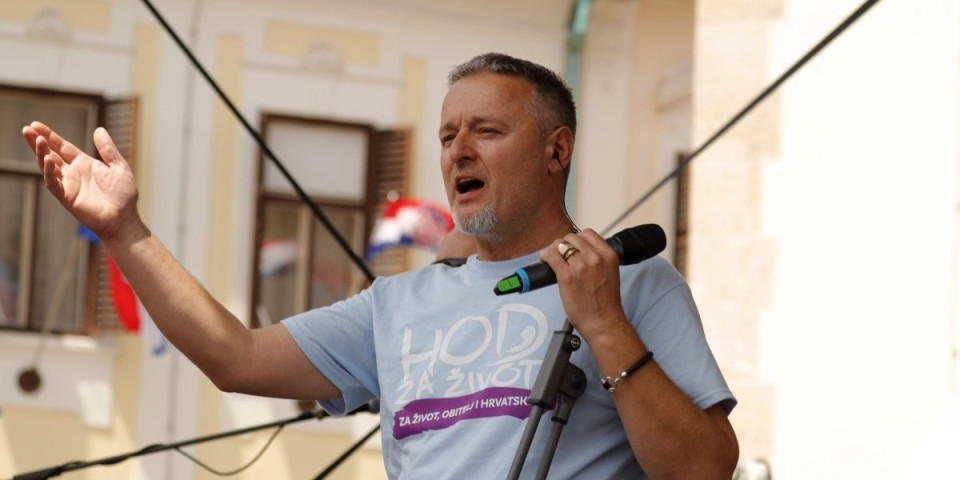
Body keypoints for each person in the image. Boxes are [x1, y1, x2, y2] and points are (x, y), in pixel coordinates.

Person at [22, 52, 738, 479]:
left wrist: (605, 325)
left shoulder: (633, 283)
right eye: (447, 136)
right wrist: (124, 231)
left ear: (557, 150)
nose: (459, 150)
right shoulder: (397, 304)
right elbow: (235, 358)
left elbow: (705, 469)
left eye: (487, 130)